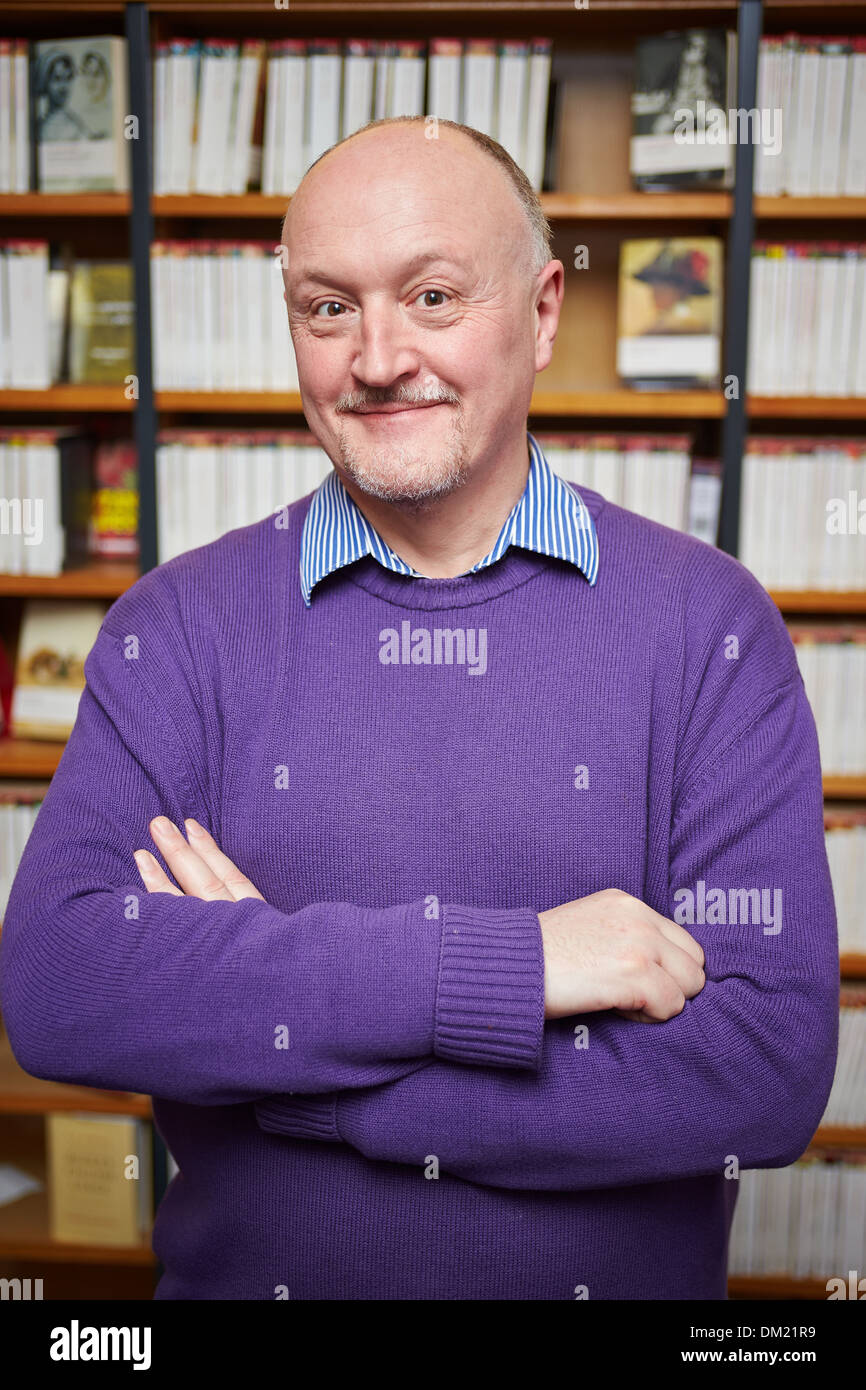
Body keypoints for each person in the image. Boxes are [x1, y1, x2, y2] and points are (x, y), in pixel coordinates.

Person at [0, 118, 839, 1300]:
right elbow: (63, 985)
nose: (378, 357)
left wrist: (297, 1069)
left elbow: (758, 1072)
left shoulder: (708, 625)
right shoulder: (177, 626)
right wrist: (516, 964)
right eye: (327, 307)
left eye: (433, 296)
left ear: (545, 311)